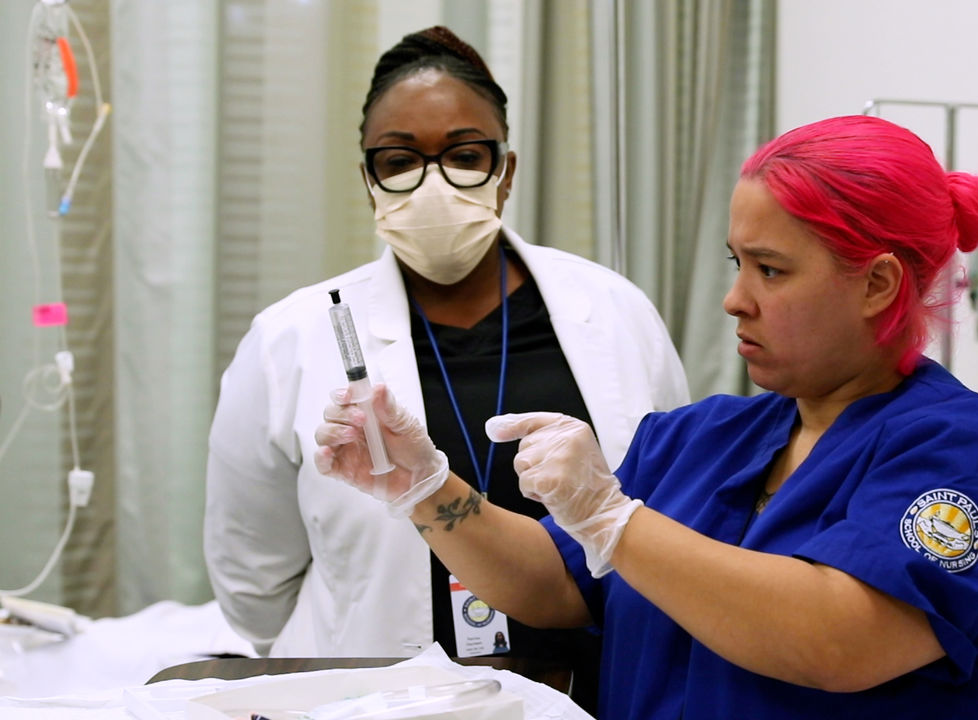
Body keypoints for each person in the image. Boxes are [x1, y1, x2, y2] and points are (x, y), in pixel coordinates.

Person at [315, 115, 978, 719]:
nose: (737, 299)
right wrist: (426, 488)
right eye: (737, 264)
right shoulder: (704, 438)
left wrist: (615, 518)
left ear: (877, 284)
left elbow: (838, 640)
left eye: (771, 270)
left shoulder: (969, 455)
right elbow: (557, 581)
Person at [203, 25, 689, 714]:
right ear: (368, 177)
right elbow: (254, 585)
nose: (432, 184)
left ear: (506, 171)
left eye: (465, 155)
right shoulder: (289, 338)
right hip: (381, 694)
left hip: (595, 690)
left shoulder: (614, 312)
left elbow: (671, 518)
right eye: (399, 161)